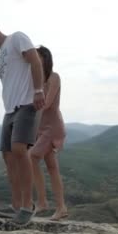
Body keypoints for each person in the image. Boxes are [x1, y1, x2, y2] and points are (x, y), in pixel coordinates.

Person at [0, 19, 45, 226]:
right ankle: (15, 205)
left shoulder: (17, 38)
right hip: (10, 110)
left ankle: (27, 206)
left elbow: (34, 60)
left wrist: (39, 90)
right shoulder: (2, 54)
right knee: (8, 155)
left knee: (19, 150)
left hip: (26, 104)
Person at [29, 46, 68, 221]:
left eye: (37, 57)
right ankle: (61, 208)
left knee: (32, 157)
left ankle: (42, 201)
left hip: (52, 127)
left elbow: (47, 102)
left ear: (45, 58)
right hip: (41, 127)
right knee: (52, 168)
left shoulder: (54, 77)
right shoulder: (36, 80)